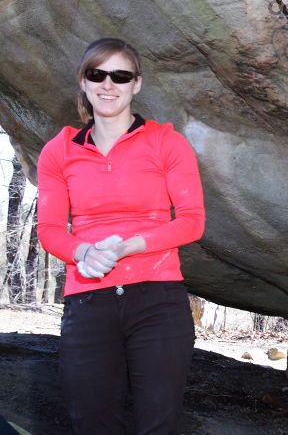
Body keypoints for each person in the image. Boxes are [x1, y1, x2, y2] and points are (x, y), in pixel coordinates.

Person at [36, 37, 206, 434]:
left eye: (120, 75)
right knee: (92, 423)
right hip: (88, 302)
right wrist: (83, 252)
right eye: (97, 74)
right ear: (83, 81)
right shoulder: (59, 151)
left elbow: (192, 221)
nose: (107, 85)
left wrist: (131, 246)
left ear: (137, 84)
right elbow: (48, 230)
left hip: (158, 301)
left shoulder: (167, 142)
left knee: (158, 424)